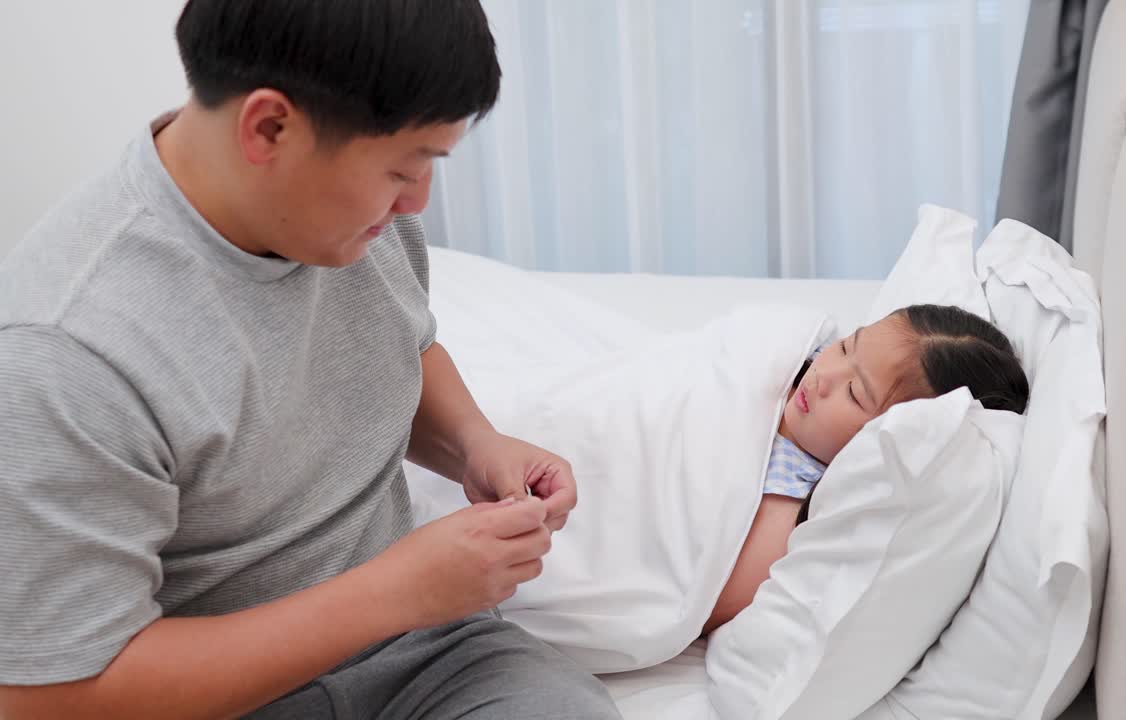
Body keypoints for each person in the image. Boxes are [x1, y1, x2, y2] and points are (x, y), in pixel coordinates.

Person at [0, 2, 620, 718]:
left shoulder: (344, 214)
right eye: (403, 167)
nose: (417, 200)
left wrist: (476, 445)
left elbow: (397, 338)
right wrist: (397, 590)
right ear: (270, 128)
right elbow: (50, 699)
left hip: (426, 651)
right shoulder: (65, 354)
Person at [703, 304, 1030, 633]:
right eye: (846, 347)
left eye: (854, 393)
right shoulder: (790, 360)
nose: (824, 376)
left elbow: (699, 600)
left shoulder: (784, 504)